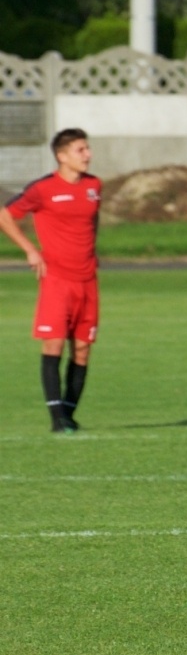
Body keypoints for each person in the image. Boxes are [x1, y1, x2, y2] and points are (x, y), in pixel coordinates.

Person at [0, 128, 101, 432]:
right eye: (81, 150)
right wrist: (30, 250)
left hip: (88, 280)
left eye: (87, 149)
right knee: (53, 344)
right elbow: (5, 215)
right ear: (62, 156)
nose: (88, 155)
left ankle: (69, 414)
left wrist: (91, 250)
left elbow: (92, 219)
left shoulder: (94, 186)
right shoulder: (43, 189)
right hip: (56, 279)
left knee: (82, 348)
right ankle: (57, 420)